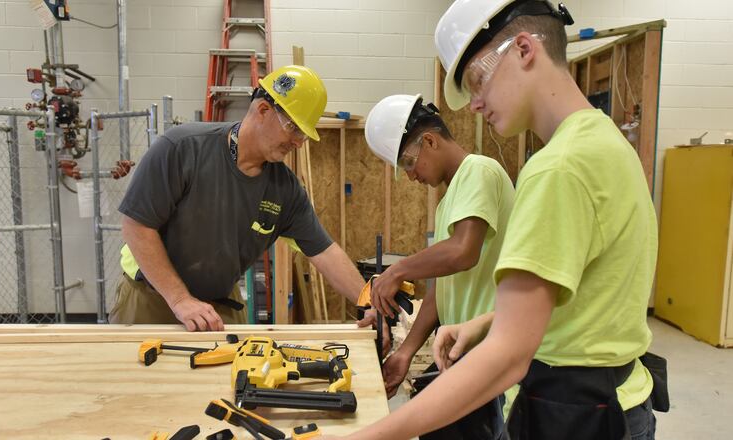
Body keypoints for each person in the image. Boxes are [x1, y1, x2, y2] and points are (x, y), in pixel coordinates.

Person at [321, 0, 661, 438]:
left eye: (479, 81)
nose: (476, 105)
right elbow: (583, 301)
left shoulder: (558, 166)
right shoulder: (605, 142)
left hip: (580, 415)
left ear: (524, 49)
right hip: (615, 399)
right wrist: (484, 323)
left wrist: (370, 435)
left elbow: (507, 356)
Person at [110, 65, 382, 342]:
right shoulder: (182, 149)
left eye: (303, 134)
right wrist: (180, 299)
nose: (298, 142)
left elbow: (324, 252)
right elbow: (136, 226)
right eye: (293, 128)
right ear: (263, 111)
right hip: (151, 297)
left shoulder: (284, 189)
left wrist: (367, 301)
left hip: (216, 305)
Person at [363, 93, 515, 439]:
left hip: (489, 350)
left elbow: (464, 252)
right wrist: (405, 352)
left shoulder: (479, 170)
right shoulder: (452, 199)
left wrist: (397, 271)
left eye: (409, 163)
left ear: (429, 140)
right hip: (461, 349)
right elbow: (441, 290)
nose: (412, 176)